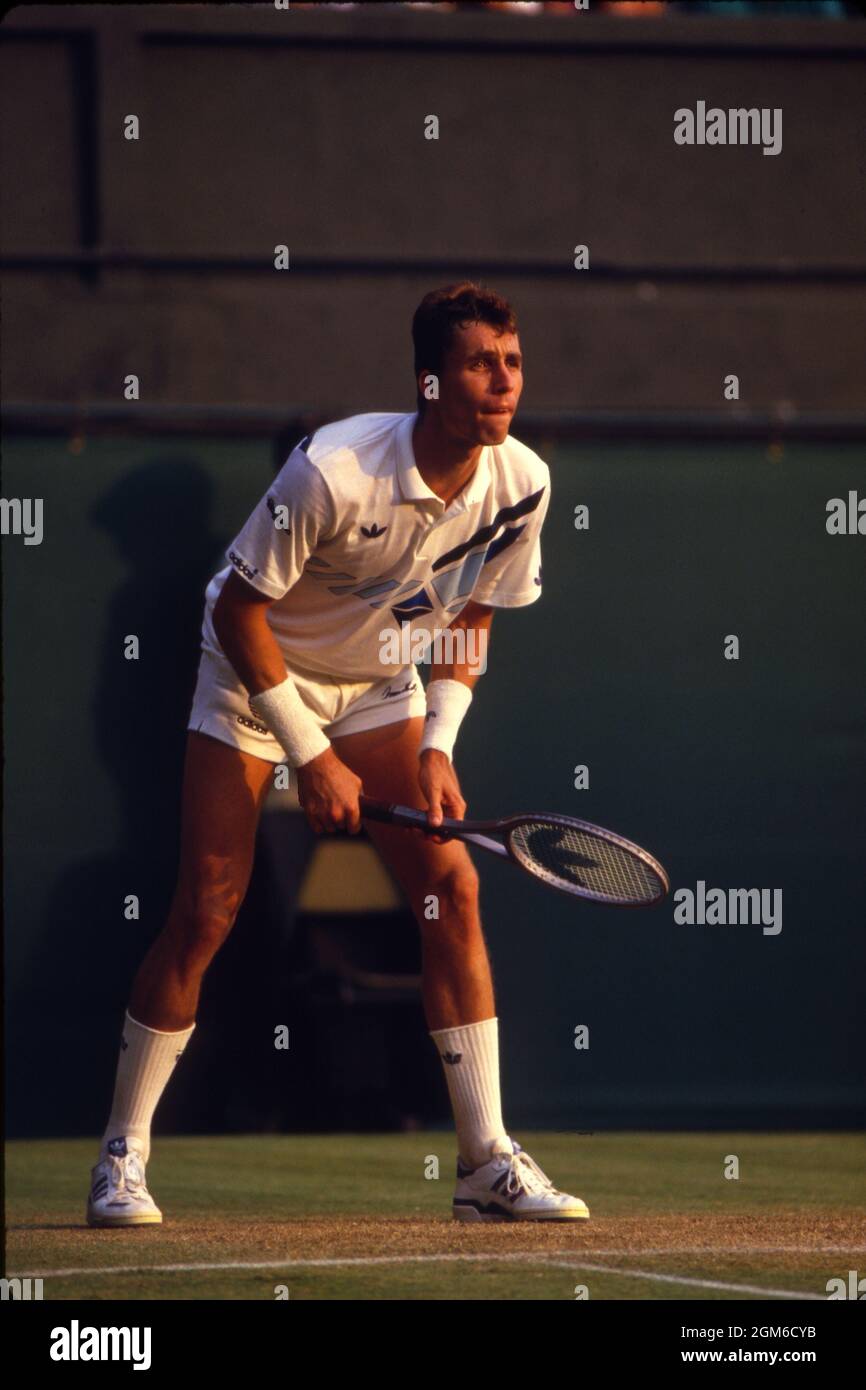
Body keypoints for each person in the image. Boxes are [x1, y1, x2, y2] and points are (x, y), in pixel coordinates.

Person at [86, 281, 590, 1226]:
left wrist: (439, 741)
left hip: (380, 686)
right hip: (254, 676)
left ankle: (485, 1164)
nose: (504, 381)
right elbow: (236, 610)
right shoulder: (332, 469)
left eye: (513, 362)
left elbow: (474, 611)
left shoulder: (523, 480)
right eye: (481, 363)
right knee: (206, 911)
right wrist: (309, 756)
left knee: (455, 887)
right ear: (430, 383)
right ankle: (122, 1155)